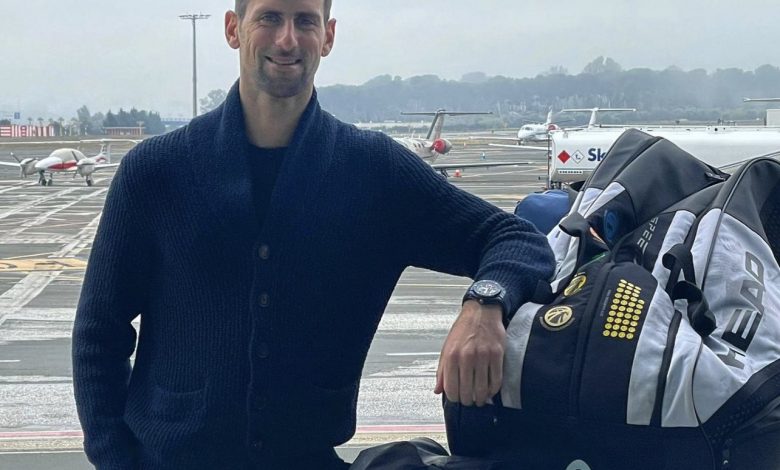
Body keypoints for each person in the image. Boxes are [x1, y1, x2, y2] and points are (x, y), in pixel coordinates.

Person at [71, 0, 554, 468]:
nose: (287, 39)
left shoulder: (372, 171)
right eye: (270, 17)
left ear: (328, 36)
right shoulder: (156, 171)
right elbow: (99, 332)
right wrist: (114, 459)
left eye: (305, 21)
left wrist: (485, 304)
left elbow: (516, 238)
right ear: (233, 29)